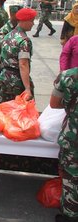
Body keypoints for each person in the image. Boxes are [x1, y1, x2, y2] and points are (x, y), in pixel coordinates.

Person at [50, 67, 78, 222]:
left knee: (71, 176)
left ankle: (70, 215)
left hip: (73, 137)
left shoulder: (68, 77)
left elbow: (54, 104)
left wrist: (71, 106)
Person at [0, 8, 37, 103]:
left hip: (3, 78)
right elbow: (23, 64)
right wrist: (27, 88)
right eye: (31, 21)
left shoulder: (9, 35)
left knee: (2, 111)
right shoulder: (24, 40)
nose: (33, 24)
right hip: (15, 82)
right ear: (24, 21)